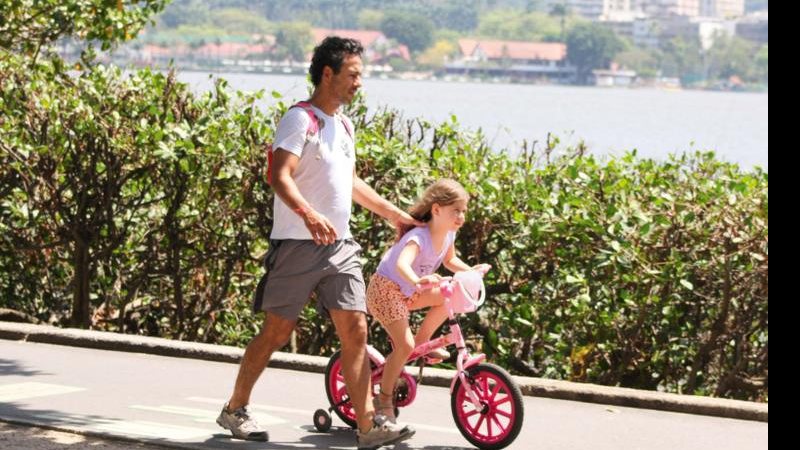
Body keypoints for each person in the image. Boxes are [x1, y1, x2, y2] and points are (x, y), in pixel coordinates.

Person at [216, 36, 420, 449]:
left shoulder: (344, 125)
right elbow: (279, 175)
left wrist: (395, 214)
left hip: (340, 246)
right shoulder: (299, 119)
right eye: (353, 75)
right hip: (297, 244)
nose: (358, 83)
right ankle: (235, 408)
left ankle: (368, 426)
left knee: (356, 331)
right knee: (276, 332)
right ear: (328, 74)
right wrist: (309, 215)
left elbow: (350, 183)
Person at [366, 178, 490, 421]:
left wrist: (471, 272)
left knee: (452, 291)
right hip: (386, 291)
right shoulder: (420, 237)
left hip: (410, 292)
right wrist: (417, 281)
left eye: (463, 211)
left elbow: (450, 262)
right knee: (404, 346)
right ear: (436, 210)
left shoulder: (448, 236)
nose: (461, 217)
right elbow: (402, 263)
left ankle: (424, 341)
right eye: (456, 211)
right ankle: (383, 400)